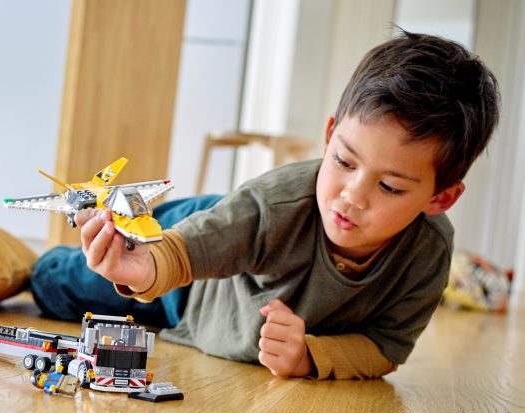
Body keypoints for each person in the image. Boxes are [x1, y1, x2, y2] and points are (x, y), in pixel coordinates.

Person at [32, 30, 500, 380]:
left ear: (440, 198)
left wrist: (309, 357)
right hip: (195, 255)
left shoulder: (428, 253)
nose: (352, 196)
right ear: (329, 134)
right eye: (343, 161)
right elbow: (186, 248)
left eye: (391, 188)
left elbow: (386, 347)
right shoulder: (279, 201)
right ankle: (27, 262)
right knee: (55, 284)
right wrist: (147, 267)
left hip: (206, 300)